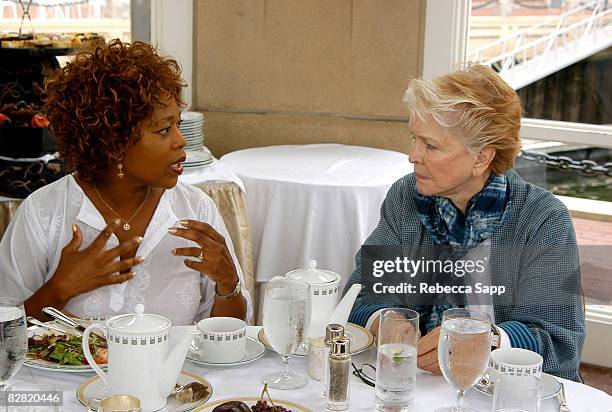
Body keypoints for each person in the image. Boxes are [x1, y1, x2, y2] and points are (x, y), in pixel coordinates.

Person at [345, 64, 584, 381]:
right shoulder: (406, 196)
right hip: (416, 381)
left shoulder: (542, 219)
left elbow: (559, 339)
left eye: (431, 145)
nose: (413, 155)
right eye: (414, 139)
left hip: (502, 388)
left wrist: (488, 340)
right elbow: (361, 293)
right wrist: (386, 319)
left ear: (481, 158)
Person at [0, 40, 252, 325]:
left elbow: (231, 338)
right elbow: (6, 333)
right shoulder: (45, 213)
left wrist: (228, 284)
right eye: (164, 130)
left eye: (178, 125)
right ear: (114, 143)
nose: (181, 141)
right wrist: (59, 288)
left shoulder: (196, 209)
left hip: (179, 371)